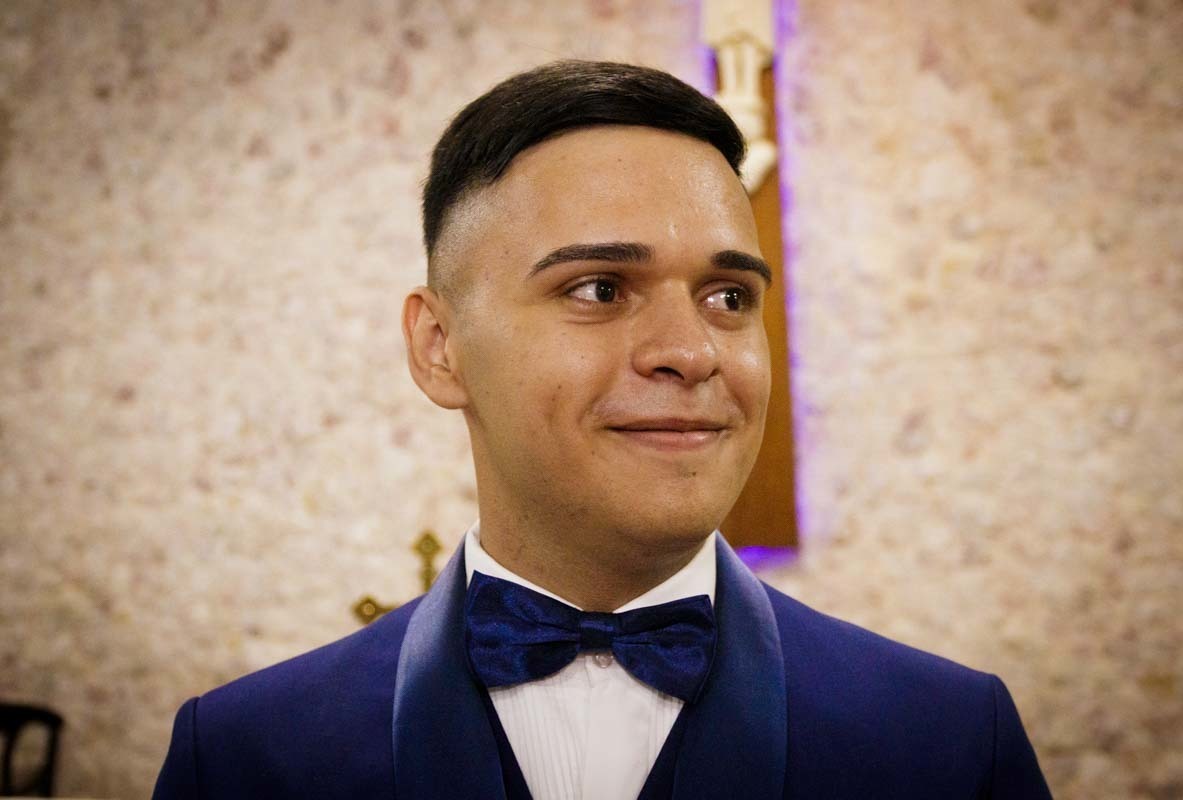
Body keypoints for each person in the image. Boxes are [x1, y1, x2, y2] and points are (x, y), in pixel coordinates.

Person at [153, 60, 1052, 799]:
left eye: (728, 297)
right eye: (600, 289)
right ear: (439, 348)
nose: (690, 352)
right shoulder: (240, 761)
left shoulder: (950, 747)